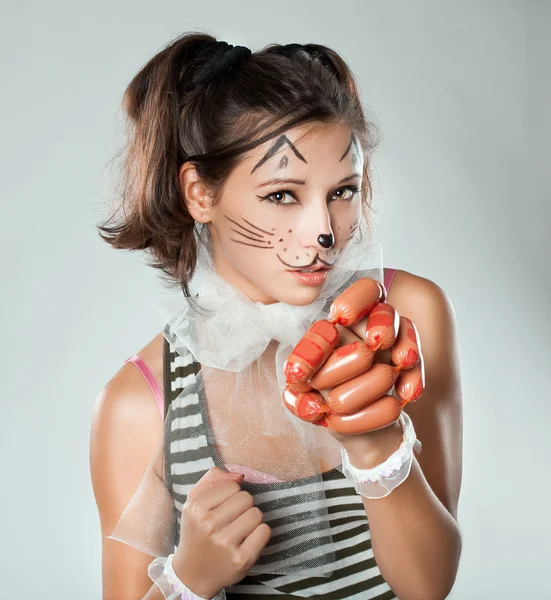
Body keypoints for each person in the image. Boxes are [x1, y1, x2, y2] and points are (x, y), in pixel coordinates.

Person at [90, 32, 463, 600]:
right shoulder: (140, 401)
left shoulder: (406, 316)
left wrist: (376, 446)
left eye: (343, 190)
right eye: (283, 194)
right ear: (199, 194)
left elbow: (428, 587)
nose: (325, 230)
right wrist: (188, 580)